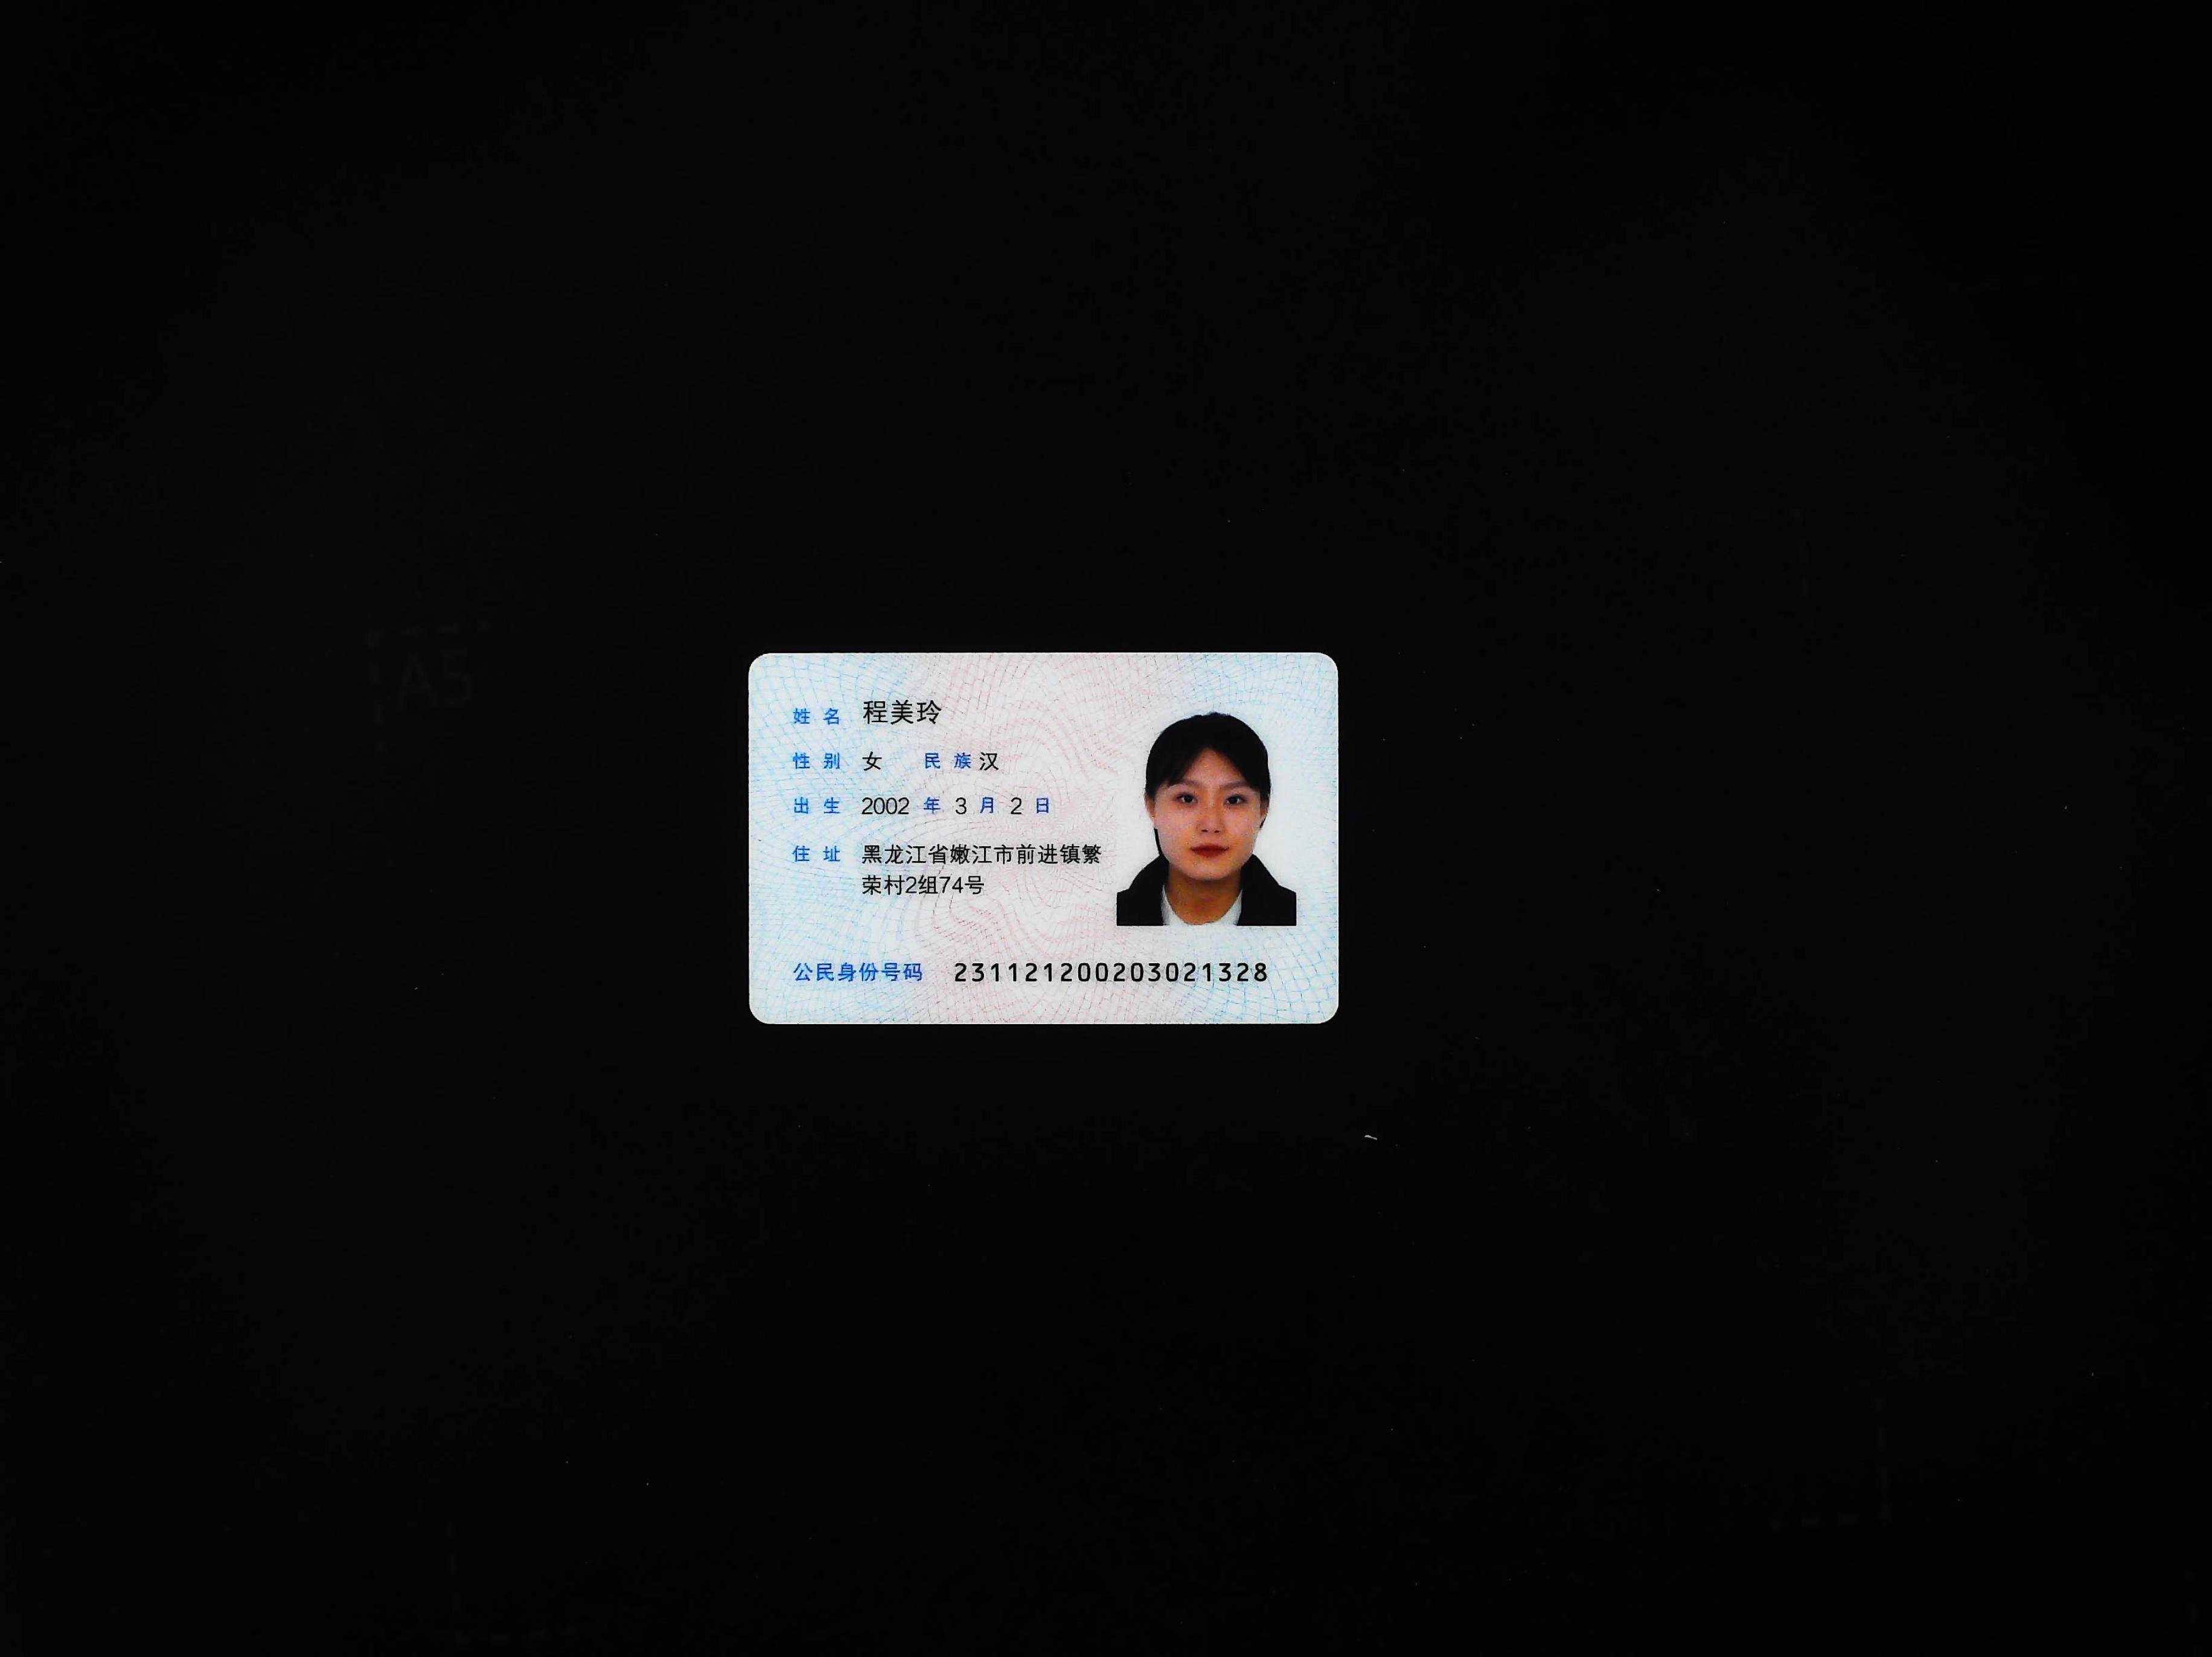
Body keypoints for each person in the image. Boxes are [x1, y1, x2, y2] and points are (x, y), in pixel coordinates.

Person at [1115, 712, 1296, 926]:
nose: (1211, 825)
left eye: (1234, 800)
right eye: (1187, 798)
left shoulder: (1308, 917)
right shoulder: (1104, 916)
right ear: (1152, 806)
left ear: (1262, 809)